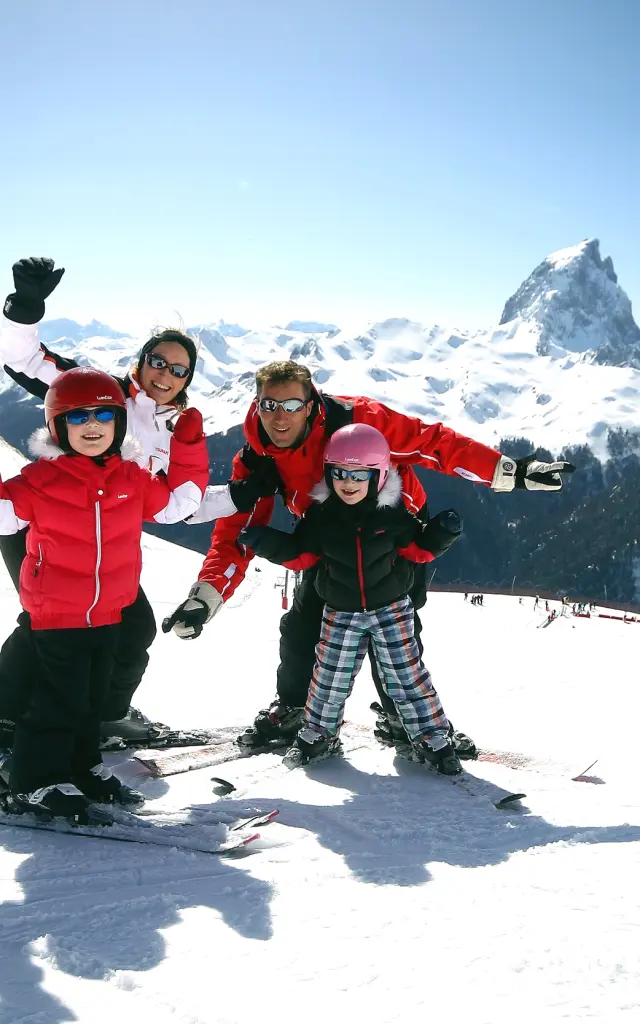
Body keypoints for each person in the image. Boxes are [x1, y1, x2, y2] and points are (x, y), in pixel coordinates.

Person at [165, 359, 574, 754]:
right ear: (257, 405)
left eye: (292, 406)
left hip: (393, 532)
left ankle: (403, 717)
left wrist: (507, 472)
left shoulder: (357, 419)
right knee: (302, 627)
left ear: (311, 404)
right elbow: (235, 531)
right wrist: (206, 597)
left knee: (395, 633)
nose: (280, 417)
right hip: (328, 540)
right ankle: (294, 708)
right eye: (270, 405)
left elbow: (432, 443)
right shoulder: (256, 458)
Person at [0, 257, 238, 751]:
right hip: (38, 521)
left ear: (188, 377)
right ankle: (16, 719)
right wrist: (25, 307)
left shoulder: (179, 428)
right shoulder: (98, 393)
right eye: (158, 361)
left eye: (179, 368)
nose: (166, 374)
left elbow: (174, 504)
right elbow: (22, 360)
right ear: (141, 362)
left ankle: (99, 714)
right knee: (48, 627)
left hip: (99, 540)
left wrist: (238, 496)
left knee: (126, 629)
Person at [0, 366, 208, 822]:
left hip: (110, 612)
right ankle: (35, 782)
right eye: (78, 418)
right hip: (56, 614)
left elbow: (178, 504)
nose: (92, 426)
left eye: (103, 415)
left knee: (91, 700)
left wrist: (189, 447)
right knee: (58, 702)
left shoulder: (130, 478)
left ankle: (81, 766)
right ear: (58, 427)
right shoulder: (40, 479)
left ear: (118, 424)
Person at [238, 424, 465, 774]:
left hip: (392, 609)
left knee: (406, 673)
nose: (348, 482)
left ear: (378, 475)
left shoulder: (392, 515)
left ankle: (430, 733)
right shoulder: (321, 517)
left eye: (359, 474)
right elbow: (302, 555)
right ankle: (319, 732)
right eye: (340, 473)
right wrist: (265, 540)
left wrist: (442, 533)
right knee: (330, 675)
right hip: (340, 611)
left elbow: (418, 550)